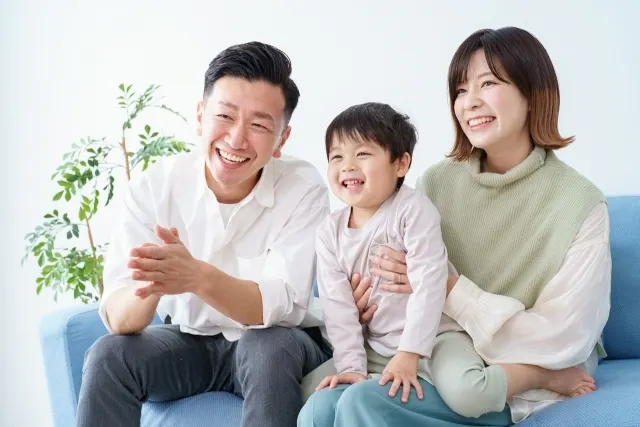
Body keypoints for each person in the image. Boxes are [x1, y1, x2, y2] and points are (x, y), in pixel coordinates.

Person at [300, 26, 611, 426]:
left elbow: (564, 337)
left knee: (363, 403)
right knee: (320, 404)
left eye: (489, 83)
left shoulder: (580, 204)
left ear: (534, 94)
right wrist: (364, 307)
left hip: (521, 364)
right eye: (461, 90)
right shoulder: (436, 182)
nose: (470, 102)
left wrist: (451, 290)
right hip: (430, 351)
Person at [75, 41, 333, 427]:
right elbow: (118, 316)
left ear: (282, 139)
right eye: (225, 116)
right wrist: (156, 282)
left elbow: (284, 305)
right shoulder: (155, 186)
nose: (236, 139)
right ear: (200, 116)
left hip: (278, 344)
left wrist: (196, 276)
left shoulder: (302, 187)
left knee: (267, 345)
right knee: (108, 356)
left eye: (259, 125)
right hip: (189, 342)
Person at [300, 102, 449, 420]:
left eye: (362, 154)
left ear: (401, 164)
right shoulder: (329, 231)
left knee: (469, 391)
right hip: (377, 347)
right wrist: (352, 367)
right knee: (310, 395)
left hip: (432, 343)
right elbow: (338, 308)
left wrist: (409, 353)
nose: (347, 166)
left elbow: (430, 284)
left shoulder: (413, 210)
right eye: (337, 157)